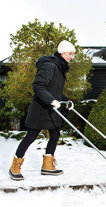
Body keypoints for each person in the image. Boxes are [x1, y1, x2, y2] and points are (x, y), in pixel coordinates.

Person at [9, 40, 75, 181]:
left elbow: (56, 92)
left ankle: (47, 166)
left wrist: (66, 101)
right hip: (40, 109)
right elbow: (38, 86)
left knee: (55, 134)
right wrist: (51, 101)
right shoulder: (49, 66)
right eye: (70, 53)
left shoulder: (60, 68)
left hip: (52, 109)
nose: (72, 56)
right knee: (31, 137)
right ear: (62, 52)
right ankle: (15, 166)